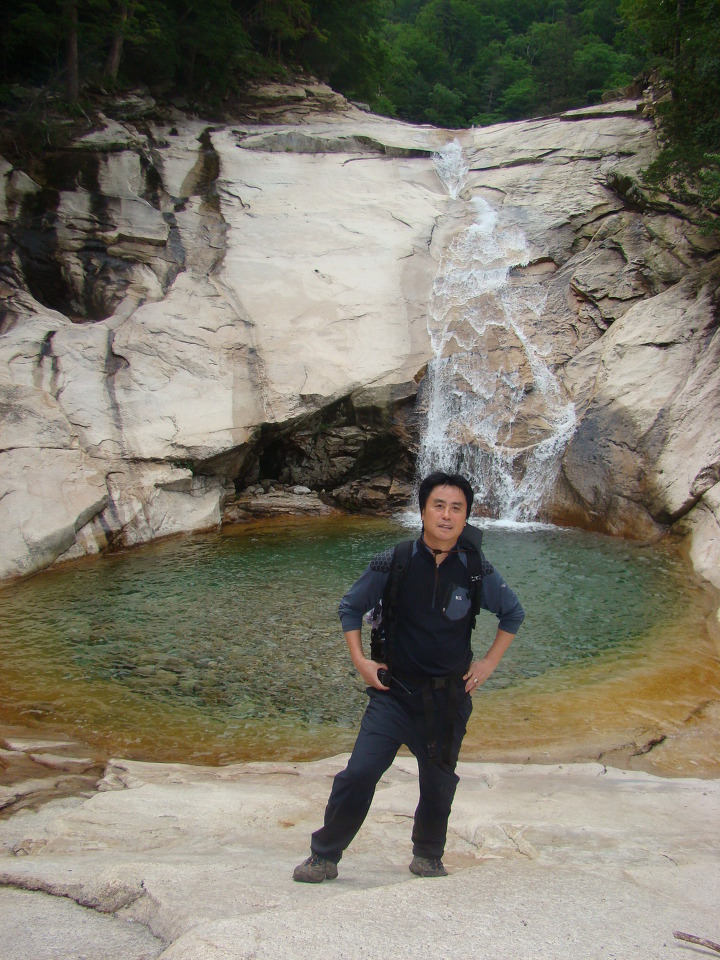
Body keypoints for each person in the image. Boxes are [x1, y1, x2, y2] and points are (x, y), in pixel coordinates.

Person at [293, 470, 524, 882]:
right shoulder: (394, 561)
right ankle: (324, 855)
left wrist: (488, 664)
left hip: (447, 699)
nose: (447, 515)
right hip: (393, 694)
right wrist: (360, 661)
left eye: (457, 508)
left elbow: (513, 613)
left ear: (466, 517)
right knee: (359, 773)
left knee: (439, 782)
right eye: (439, 506)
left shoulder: (475, 569)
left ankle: (428, 855)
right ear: (422, 511)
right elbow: (350, 607)